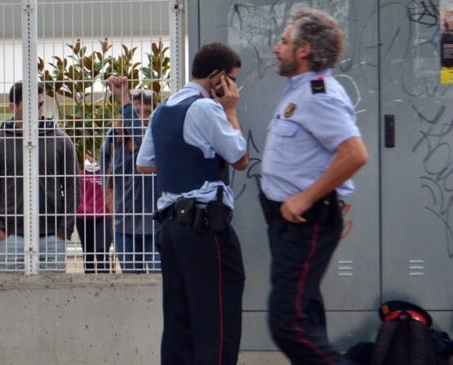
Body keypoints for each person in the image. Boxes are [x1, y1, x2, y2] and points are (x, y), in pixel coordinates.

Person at [261, 8, 368, 364]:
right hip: (287, 224)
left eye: (284, 41)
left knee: (288, 324)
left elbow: (354, 153)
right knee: (305, 316)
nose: (277, 48)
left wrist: (305, 198)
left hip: (305, 223)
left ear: (304, 49)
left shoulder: (319, 94)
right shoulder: (300, 91)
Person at [137, 42, 248, 364]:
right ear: (218, 77)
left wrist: (184, 159)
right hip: (203, 224)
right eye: (232, 80)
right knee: (217, 318)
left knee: (178, 319)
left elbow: (145, 163)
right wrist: (230, 109)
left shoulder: (163, 109)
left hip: (171, 225)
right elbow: (240, 158)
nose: (234, 88)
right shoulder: (206, 109)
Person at [0, 81, 79, 272]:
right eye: (30, 105)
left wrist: (63, 230)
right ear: (13, 107)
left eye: (40, 104)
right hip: (10, 236)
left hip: (52, 235)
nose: (37, 110)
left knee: (53, 296)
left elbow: (71, 187)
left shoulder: (61, 141)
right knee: (10, 294)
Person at [101, 76, 159, 273]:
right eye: (136, 111)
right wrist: (114, 212)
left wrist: (124, 99)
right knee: (130, 282)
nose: (142, 116)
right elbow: (107, 181)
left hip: (155, 226)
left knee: (158, 282)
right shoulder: (113, 138)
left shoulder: (156, 138)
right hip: (124, 227)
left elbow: (141, 135)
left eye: (148, 112)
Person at [75, 152, 112, 273]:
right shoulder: (79, 171)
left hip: (103, 216)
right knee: (88, 254)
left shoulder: (107, 170)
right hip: (83, 216)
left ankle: (104, 283)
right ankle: (88, 284)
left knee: (102, 252)